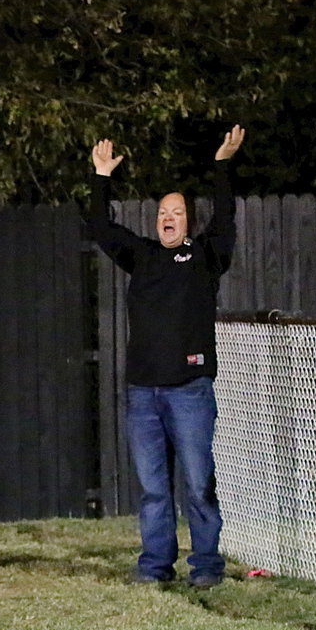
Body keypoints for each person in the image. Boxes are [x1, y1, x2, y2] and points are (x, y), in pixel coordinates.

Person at [87, 125, 246, 588]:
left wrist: (222, 167)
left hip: (190, 392)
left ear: (188, 221)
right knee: (154, 490)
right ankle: (154, 567)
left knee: (198, 484)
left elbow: (225, 220)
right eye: (162, 213)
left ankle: (207, 568)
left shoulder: (206, 256)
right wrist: (101, 177)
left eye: (177, 212)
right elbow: (101, 227)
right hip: (143, 395)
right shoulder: (142, 255)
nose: (168, 218)